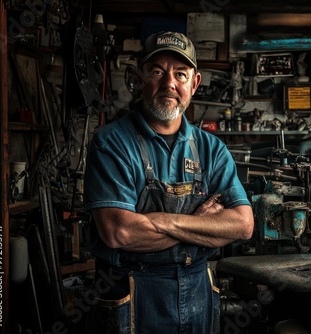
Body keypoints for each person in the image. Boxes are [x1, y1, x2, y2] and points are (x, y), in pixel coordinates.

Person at [83, 31, 254, 334]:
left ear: (194, 83)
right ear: (139, 79)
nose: (169, 84)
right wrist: (199, 224)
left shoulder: (211, 149)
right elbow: (119, 231)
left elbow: (242, 224)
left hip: (199, 291)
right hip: (133, 293)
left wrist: (157, 223)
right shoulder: (111, 143)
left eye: (180, 74)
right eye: (157, 71)